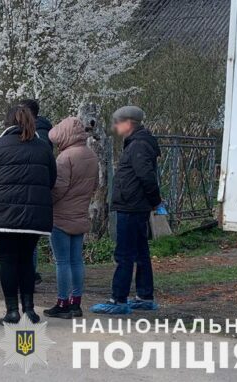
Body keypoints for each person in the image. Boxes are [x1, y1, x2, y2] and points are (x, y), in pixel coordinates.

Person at [0, 104, 56, 325]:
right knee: (27, 261)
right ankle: (29, 310)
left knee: (8, 261)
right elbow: (51, 180)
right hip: (33, 216)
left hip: (2, 215)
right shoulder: (44, 148)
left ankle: (12, 311)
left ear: (8, 122)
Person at [91, 106, 162, 315]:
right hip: (135, 205)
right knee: (140, 252)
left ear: (129, 123)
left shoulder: (138, 145)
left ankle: (118, 299)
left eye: (117, 122)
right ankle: (144, 296)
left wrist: (156, 200)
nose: (115, 127)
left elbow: (146, 175)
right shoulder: (139, 143)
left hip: (131, 206)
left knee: (124, 254)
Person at [42, 117, 99, 319]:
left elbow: (58, 189)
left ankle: (62, 302)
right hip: (80, 214)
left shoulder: (65, 158)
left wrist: (44, 201)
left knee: (62, 262)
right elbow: (94, 185)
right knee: (76, 260)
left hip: (61, 217)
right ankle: (76, 303)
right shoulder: (91, 155)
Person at [20, 99, 54, 286]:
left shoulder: (39, 135)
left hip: (31, 192)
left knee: (28, 240)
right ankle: (29, 275)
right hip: (34, 191)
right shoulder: (43, 132)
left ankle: (29, 276)